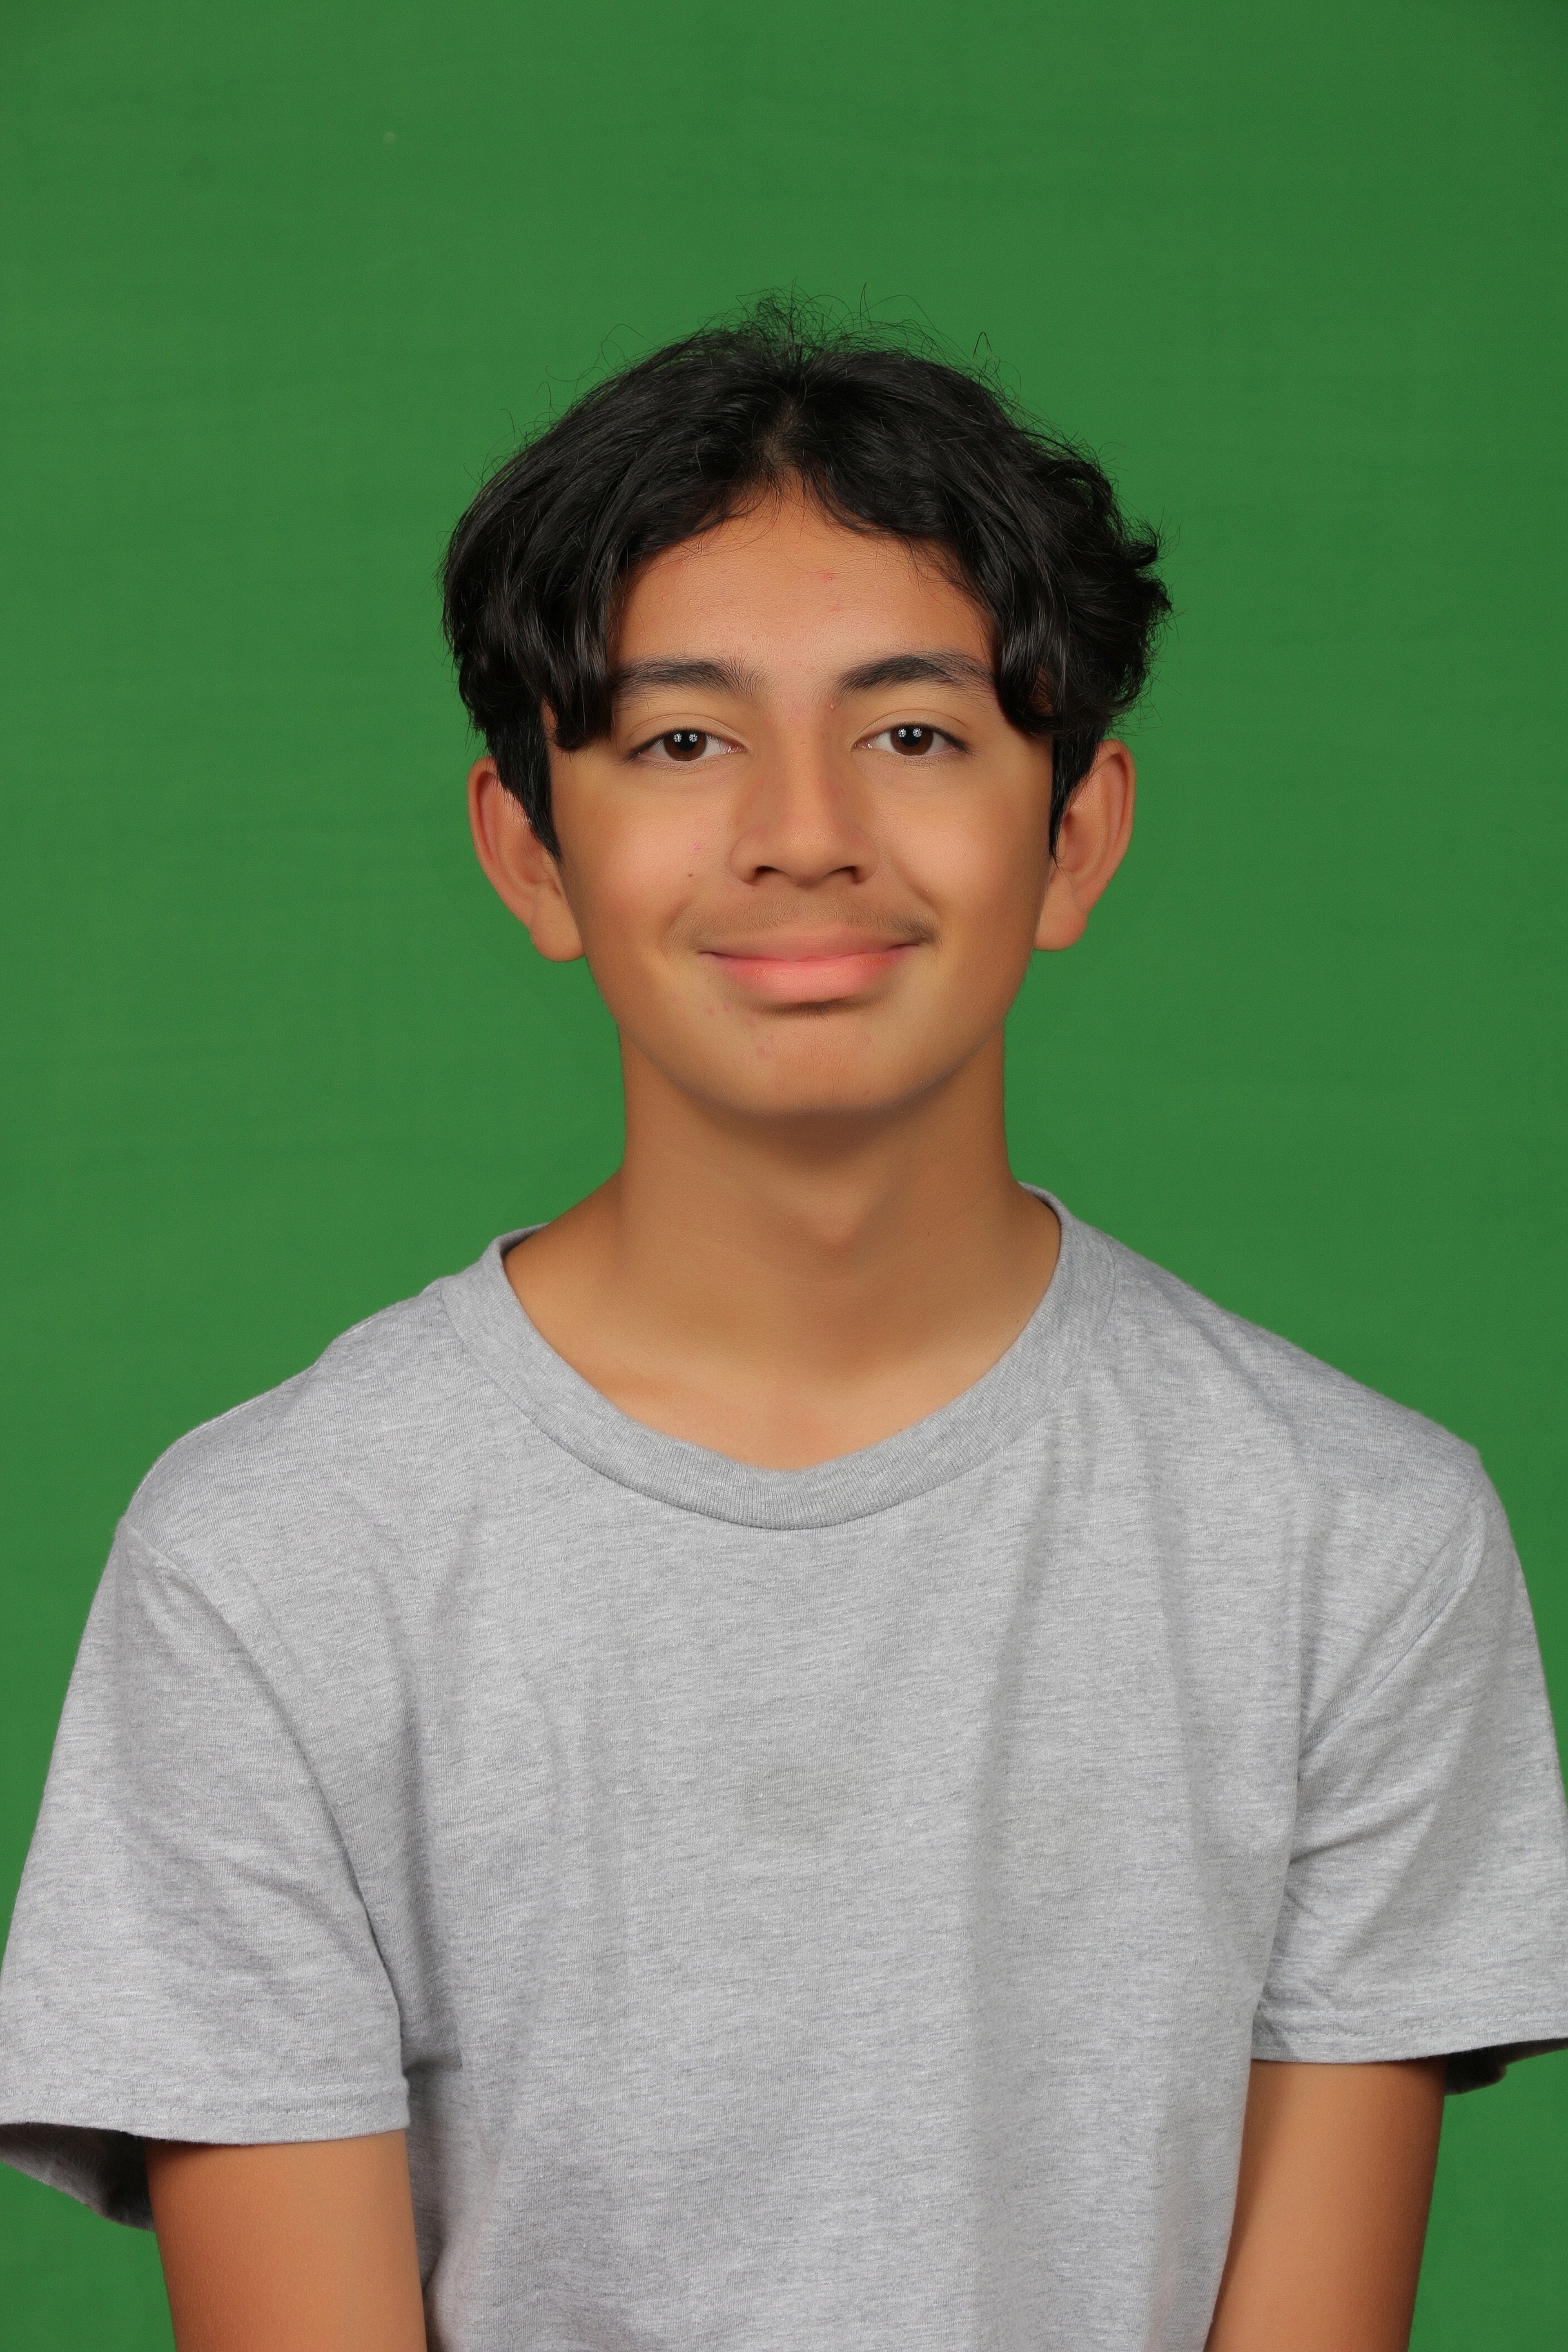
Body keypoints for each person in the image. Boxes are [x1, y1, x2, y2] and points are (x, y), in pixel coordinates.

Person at [1, 306, 1565, 2352]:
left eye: (913, 733)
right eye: (681, 741)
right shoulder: (268, 1562)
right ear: (530, 853)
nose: (803, 829)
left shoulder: (1357, 1539)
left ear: (1075, 834)